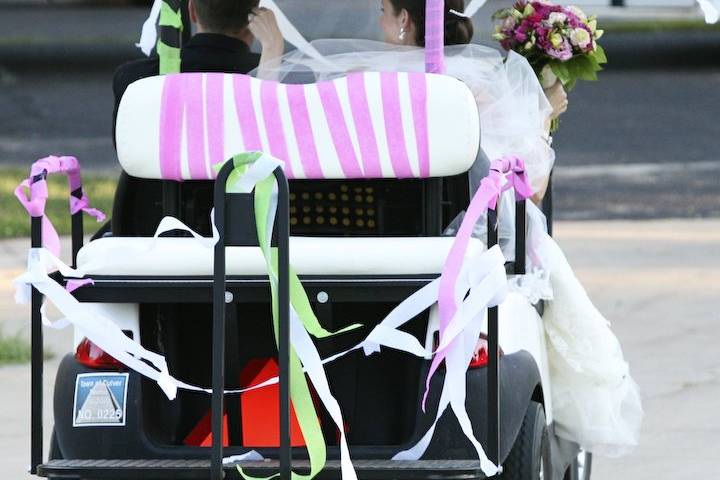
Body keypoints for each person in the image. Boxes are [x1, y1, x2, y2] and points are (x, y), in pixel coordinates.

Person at [255, 0, 642, 457]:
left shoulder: (362, 81)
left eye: (383, 11)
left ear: (403, 20)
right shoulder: (470, 87)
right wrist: (541, 122)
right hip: (447, 233)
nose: (378, 22)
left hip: (388, 236)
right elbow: (528, 187)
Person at [111, 0, 284, 236]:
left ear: (191, 11)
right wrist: (273, 51)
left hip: (148, 225)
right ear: (255, 17)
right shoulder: (279, 82)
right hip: (250, 231)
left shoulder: (135, 79)